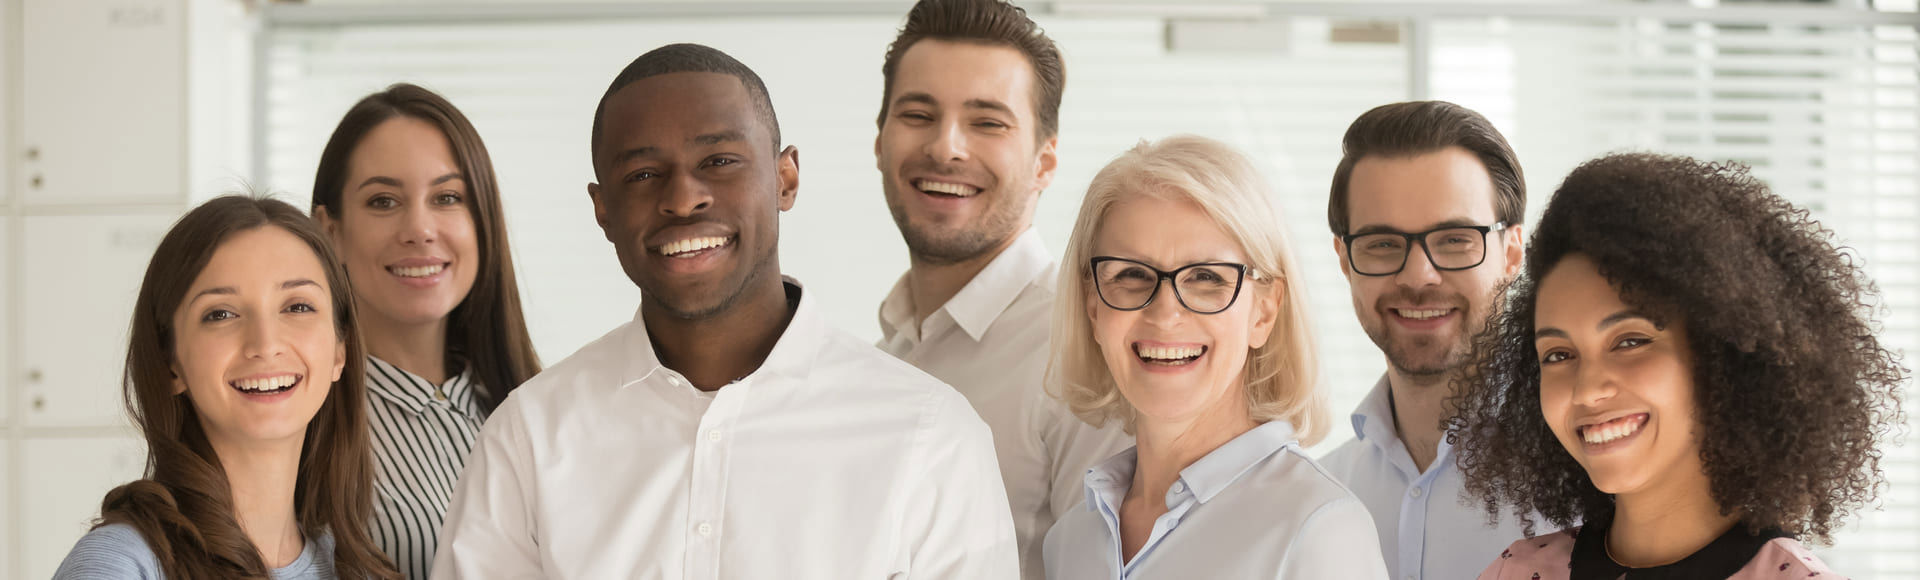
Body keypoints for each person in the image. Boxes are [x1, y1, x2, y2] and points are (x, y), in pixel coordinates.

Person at [431, 43, 1017, 579]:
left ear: (785, 178)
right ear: (602, 208)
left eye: (719, 161)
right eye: (642, 174)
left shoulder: (930, 436)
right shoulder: (529, 437)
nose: (683, 198)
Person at [1450, 153, 1907, 579]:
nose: (1586, 390)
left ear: (1723, 355)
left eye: (1630, 341)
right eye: (1558, 355)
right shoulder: (1517, 571)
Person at [1041, 135, 1387, 579]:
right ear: (1093, 308)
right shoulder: (1071, 541)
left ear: (1264, 311)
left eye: (1207, 277)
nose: (1165, 314)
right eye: (1131, 274)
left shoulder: (1319, 531)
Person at [872, 1, 1129, 576]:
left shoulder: (1084, 357)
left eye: (987, 122)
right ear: (879, 142)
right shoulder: (884, 355)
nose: (946, 148)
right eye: (918, 114)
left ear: (1044, 162)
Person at [52, 195, 399, 579]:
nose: (265, 345)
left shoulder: (356, 569)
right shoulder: (122, 565)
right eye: (220, 314)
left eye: (297, 306)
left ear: (340, 350)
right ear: (171, 363)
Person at [310, 83, 542, 580]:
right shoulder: (301, 421)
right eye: (383, 201)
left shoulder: (535, 408)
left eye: (447, 197)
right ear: (331, 233)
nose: (419, 228)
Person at [1315, 100, 1540, 580]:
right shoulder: (1317, 496)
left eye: (1455, 239)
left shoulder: (1596, 482)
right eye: (1382, 244)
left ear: (1512, 252)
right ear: (1344, 258)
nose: (1419, 276)